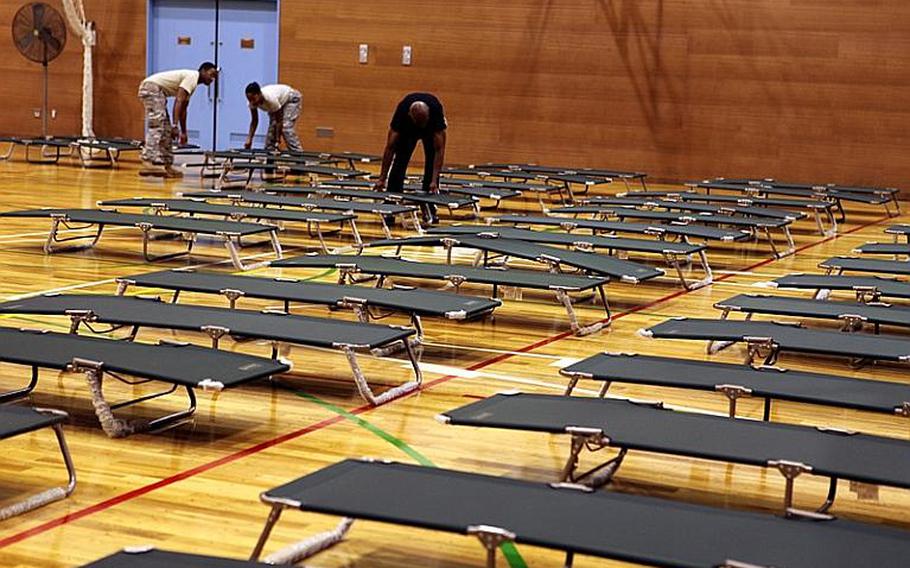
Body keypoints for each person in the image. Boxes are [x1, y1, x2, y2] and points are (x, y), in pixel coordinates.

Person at [374, 92, 447, 223]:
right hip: (408, 131)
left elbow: (439, 150)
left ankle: (429, 207)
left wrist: (434, 180)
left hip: (430, 131)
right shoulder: (402, 112)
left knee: (431, 166)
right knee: (399, 162)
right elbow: (390, 147)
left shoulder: (435, 112)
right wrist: (382, 178)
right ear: (410, 115)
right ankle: (390, 205)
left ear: (428, 115)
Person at [137, 62, 218, 177]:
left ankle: (168, 165)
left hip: (158, 92)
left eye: (214, 77)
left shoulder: (192, 84)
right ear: (203, 71)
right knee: (157, 124)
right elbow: (178, 101)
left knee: (166, 130)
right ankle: (147, 161)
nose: (212, 79)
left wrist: (183, 132)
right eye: (211, 74)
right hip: (151, 88)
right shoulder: (192, 76)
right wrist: (175, 126)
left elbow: (183, 110)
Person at [243, 82, 303, 152]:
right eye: (249, 100)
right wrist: (249, 139)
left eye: (253, 99)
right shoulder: (252, 103)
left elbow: (279, 121)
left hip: (291, 98)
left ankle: (298, 153)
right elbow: (254, 121)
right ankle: (269, 153)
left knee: (285, 127)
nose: (252, 102)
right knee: (272, 130)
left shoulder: (270, 99)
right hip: (279, 102)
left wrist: (277, 140)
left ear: (259, 94)